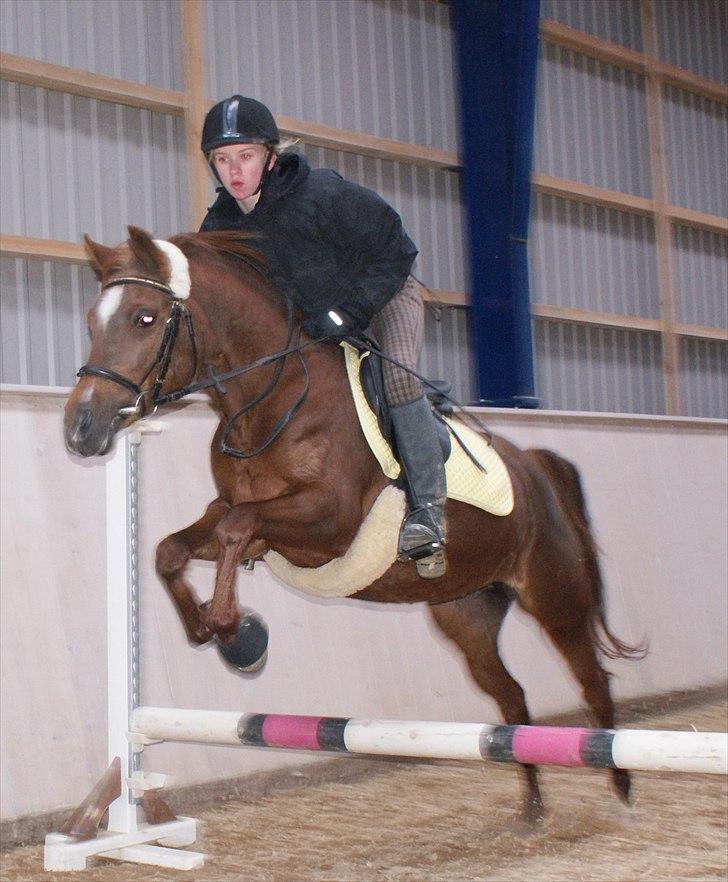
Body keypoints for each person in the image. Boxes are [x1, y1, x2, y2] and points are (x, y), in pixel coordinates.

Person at [199, 95, 447, 577]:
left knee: (394, 380)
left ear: (270, 155)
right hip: (314, 325)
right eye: (222, 159)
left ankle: (428, 514)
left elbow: (398, 251)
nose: (234, 171)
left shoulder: (324, 195)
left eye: (245, 156)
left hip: (386, 296)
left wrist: (350, 312)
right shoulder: (220, 225)